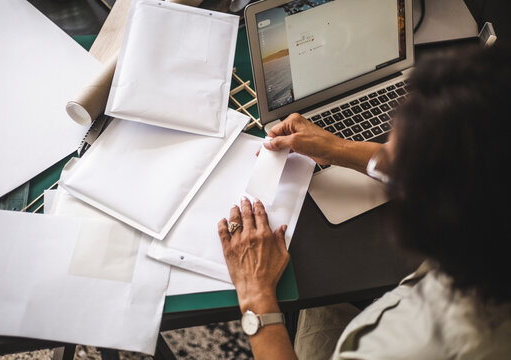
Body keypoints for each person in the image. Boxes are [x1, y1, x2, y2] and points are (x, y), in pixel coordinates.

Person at [217, 43, 511, 359]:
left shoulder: (414, 348)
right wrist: (337, 147)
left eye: (399, 164)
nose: (382, 163)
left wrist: (256, 296)